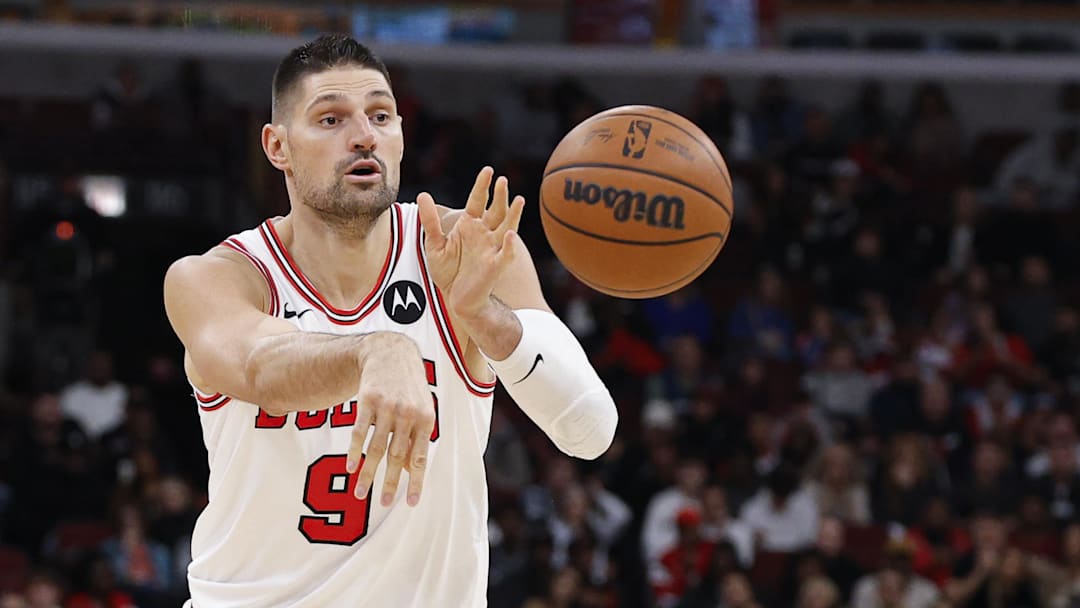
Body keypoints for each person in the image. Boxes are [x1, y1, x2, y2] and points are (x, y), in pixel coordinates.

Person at [162, 34, 618, 607]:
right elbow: (257, 367)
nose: (363, 136)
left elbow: (590, 431)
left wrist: (482, 315)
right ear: (277, 147)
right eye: (330, 119)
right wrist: (375, 351)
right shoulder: (218, 278)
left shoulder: (465, 250)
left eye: (381, 115)